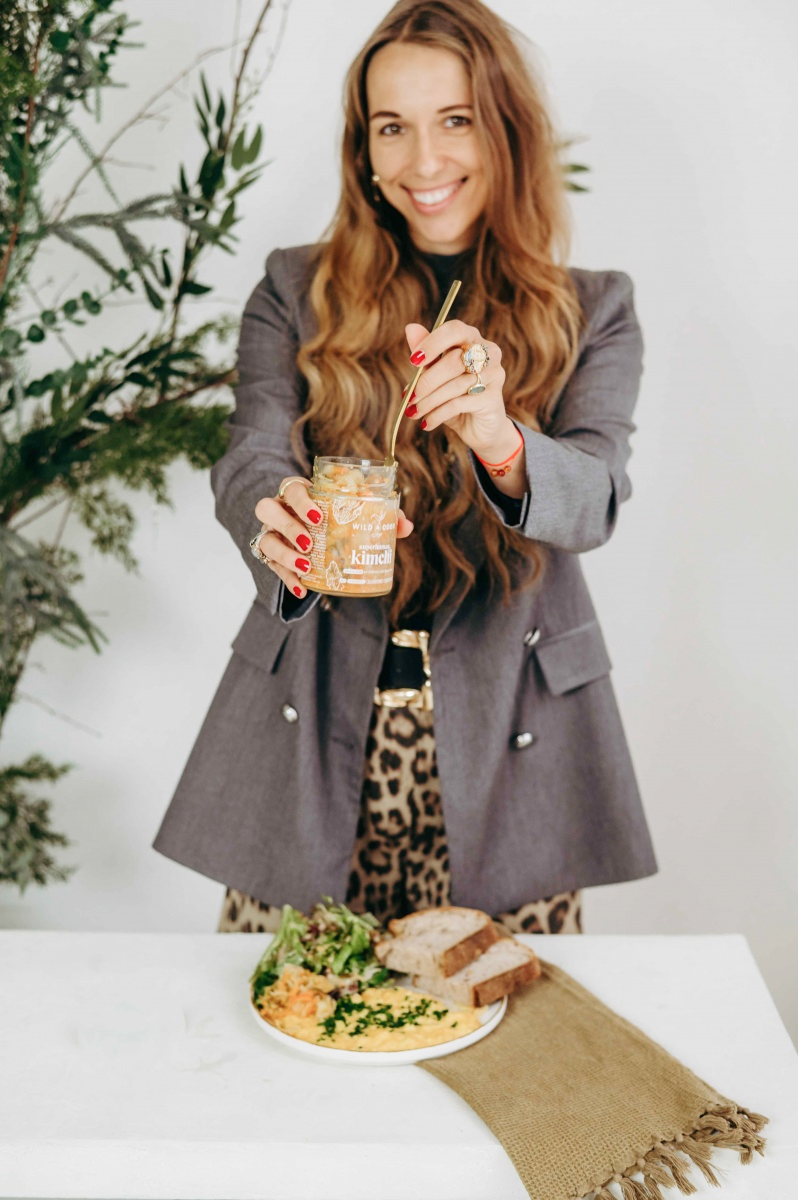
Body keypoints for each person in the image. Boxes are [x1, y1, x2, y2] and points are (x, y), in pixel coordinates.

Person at [153, 0, 658, 935]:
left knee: (504, 1018)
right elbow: (251, 458)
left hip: (514, 743)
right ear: (365, 148)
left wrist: (501, 439)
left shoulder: (594, 309)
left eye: (455, 119)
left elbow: (595, 498)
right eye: (393, 126)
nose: (424, 161)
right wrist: (280, 518)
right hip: (310, 736)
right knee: (296, 1004)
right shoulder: (294, 289)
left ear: (505, 130)